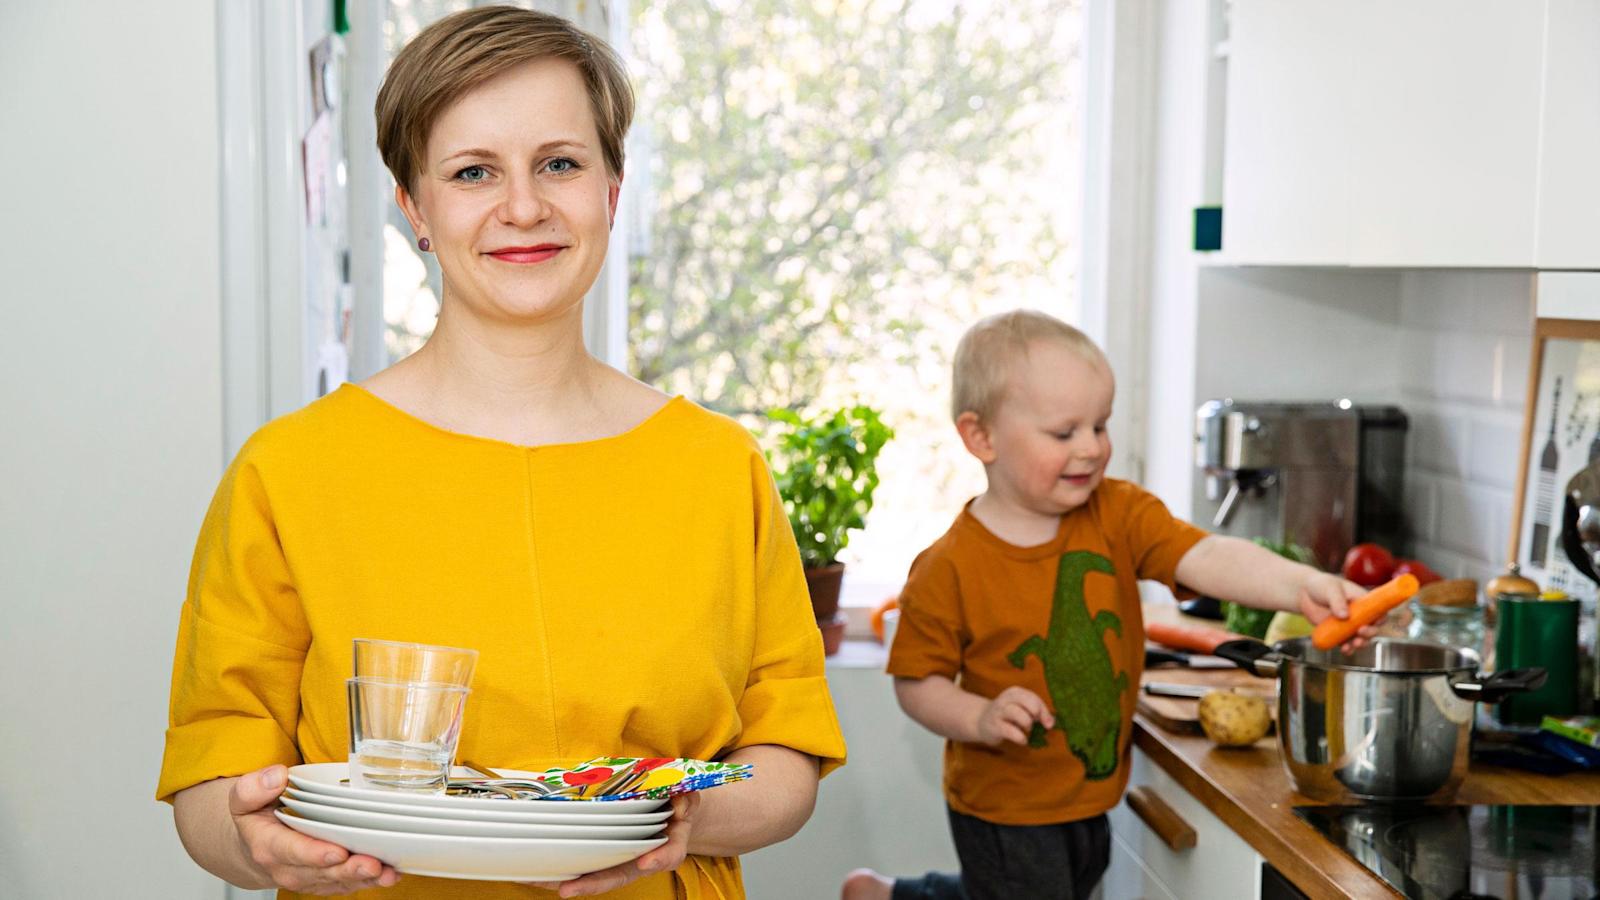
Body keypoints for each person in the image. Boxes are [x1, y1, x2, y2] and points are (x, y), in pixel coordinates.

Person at [157, 7, 845, 899]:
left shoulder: (719, 467)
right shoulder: (288, 473)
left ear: (611, 189)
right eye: (474, 172)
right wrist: (258, 845)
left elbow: (786, 756)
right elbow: (212, 784)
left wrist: (678, 822)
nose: (524, 207)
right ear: (415, 206)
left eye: (560, 163)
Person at [840, 310, 1372, 900]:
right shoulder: (948, 568)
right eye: (1065, 433)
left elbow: (1207, 556)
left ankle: (889, 896)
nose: (1092, 448)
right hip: (1004, 807)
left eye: (1101, 425)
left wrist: (1301, 584)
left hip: (1092, 792)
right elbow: (917, 683)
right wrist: (979, 719)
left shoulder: (1118, 514)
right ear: (981, 437)